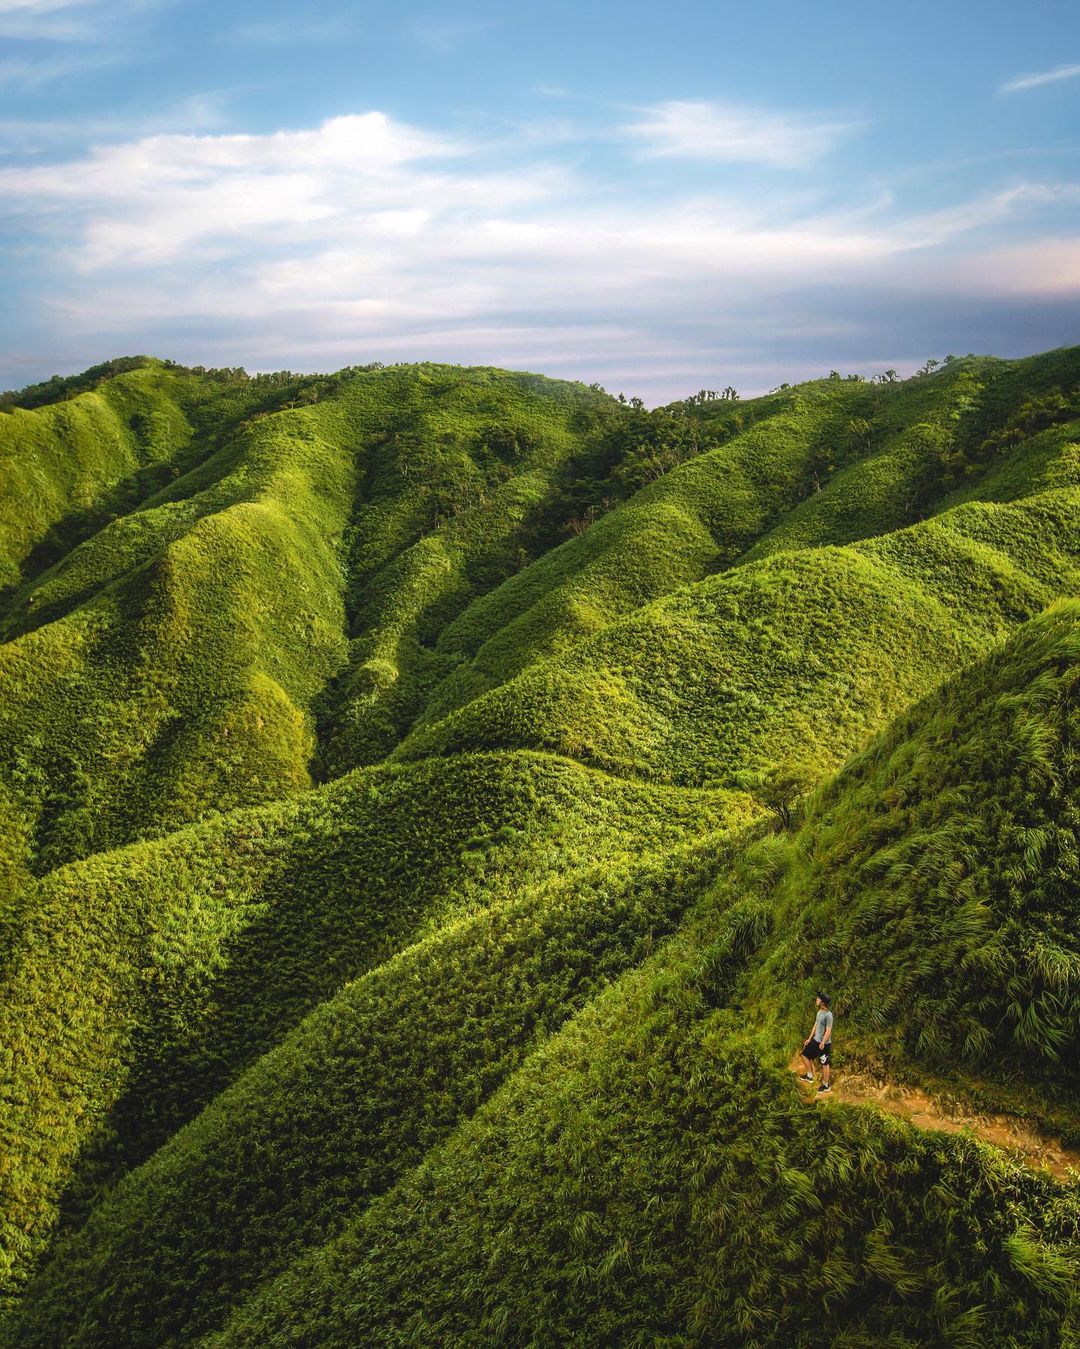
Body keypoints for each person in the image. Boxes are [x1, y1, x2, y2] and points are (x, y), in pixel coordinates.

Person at [798, 991, 833, 1093]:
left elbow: (829, 1030)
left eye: (818, 999)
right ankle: (809, 1076)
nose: (816, 1000)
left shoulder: (829, 1015)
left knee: (825, 1064)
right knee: (804, 1054)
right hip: (815, 1041)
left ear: (822, 1002)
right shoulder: (819, 1013)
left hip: (824, 1044)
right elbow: (815, 1025)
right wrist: (809, 1038)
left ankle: (826, 1085)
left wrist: (823, 1042)